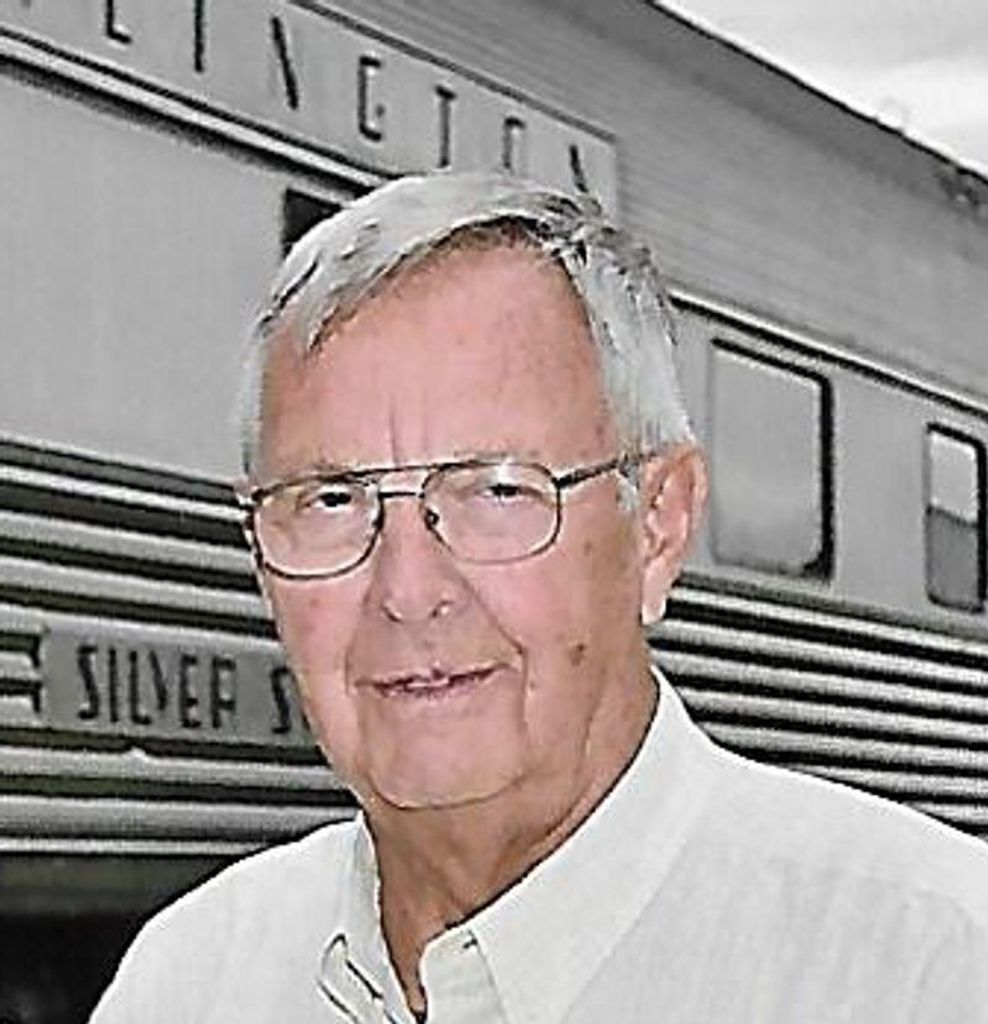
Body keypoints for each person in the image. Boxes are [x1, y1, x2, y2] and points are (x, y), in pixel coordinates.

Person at [91, 171, 988, 1023]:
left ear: (658, 525)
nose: (407, 592)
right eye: (331, 501)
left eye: (498, 491)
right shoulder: (190, 982)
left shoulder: (929, 971)